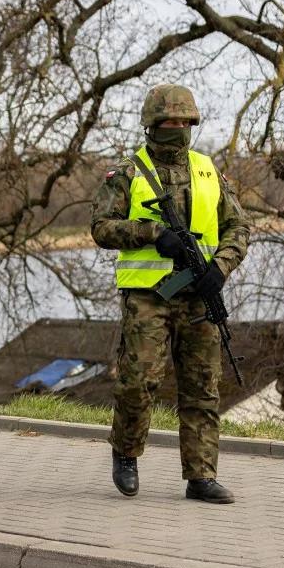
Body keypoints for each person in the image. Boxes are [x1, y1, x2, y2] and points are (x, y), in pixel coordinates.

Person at [90, 84, 251, 504]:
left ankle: (201, 476)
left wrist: (221, 266)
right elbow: (101, 227)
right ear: (152, 125)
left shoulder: (207, 169)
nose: (178, 129)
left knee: (202, 386)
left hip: (199, 294)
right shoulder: (128, 172)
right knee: (138, 380)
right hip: (148, 297)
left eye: (185, 122)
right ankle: (126, 453)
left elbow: (238, 226)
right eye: (170, 122)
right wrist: (150, 233)